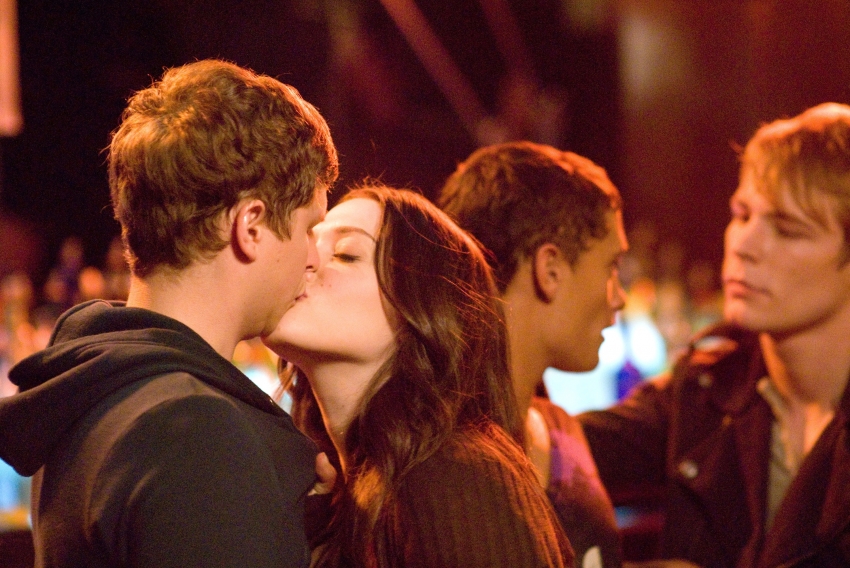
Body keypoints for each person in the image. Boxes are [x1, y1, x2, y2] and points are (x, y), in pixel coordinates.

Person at [0, 59, 338, 568]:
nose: (313, 258)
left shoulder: (91, 391)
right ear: (250, 226)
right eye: (308, 228)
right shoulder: (196, 430)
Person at [579, 102, 850, 567]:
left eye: (788, 229)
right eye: (742, 214)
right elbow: (559, 447)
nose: (745, 244)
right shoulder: (709, 389)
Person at [264, 184, 574, 567]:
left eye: (345, 254)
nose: (307, 260)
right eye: (308, 240)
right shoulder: (347, 499)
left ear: (424, 310)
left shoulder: (457, 477)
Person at [438, 141, 628, 568]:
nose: (619, 297)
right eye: (611, 266)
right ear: (550, 269)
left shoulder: (562, 432)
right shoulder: (438, 464)